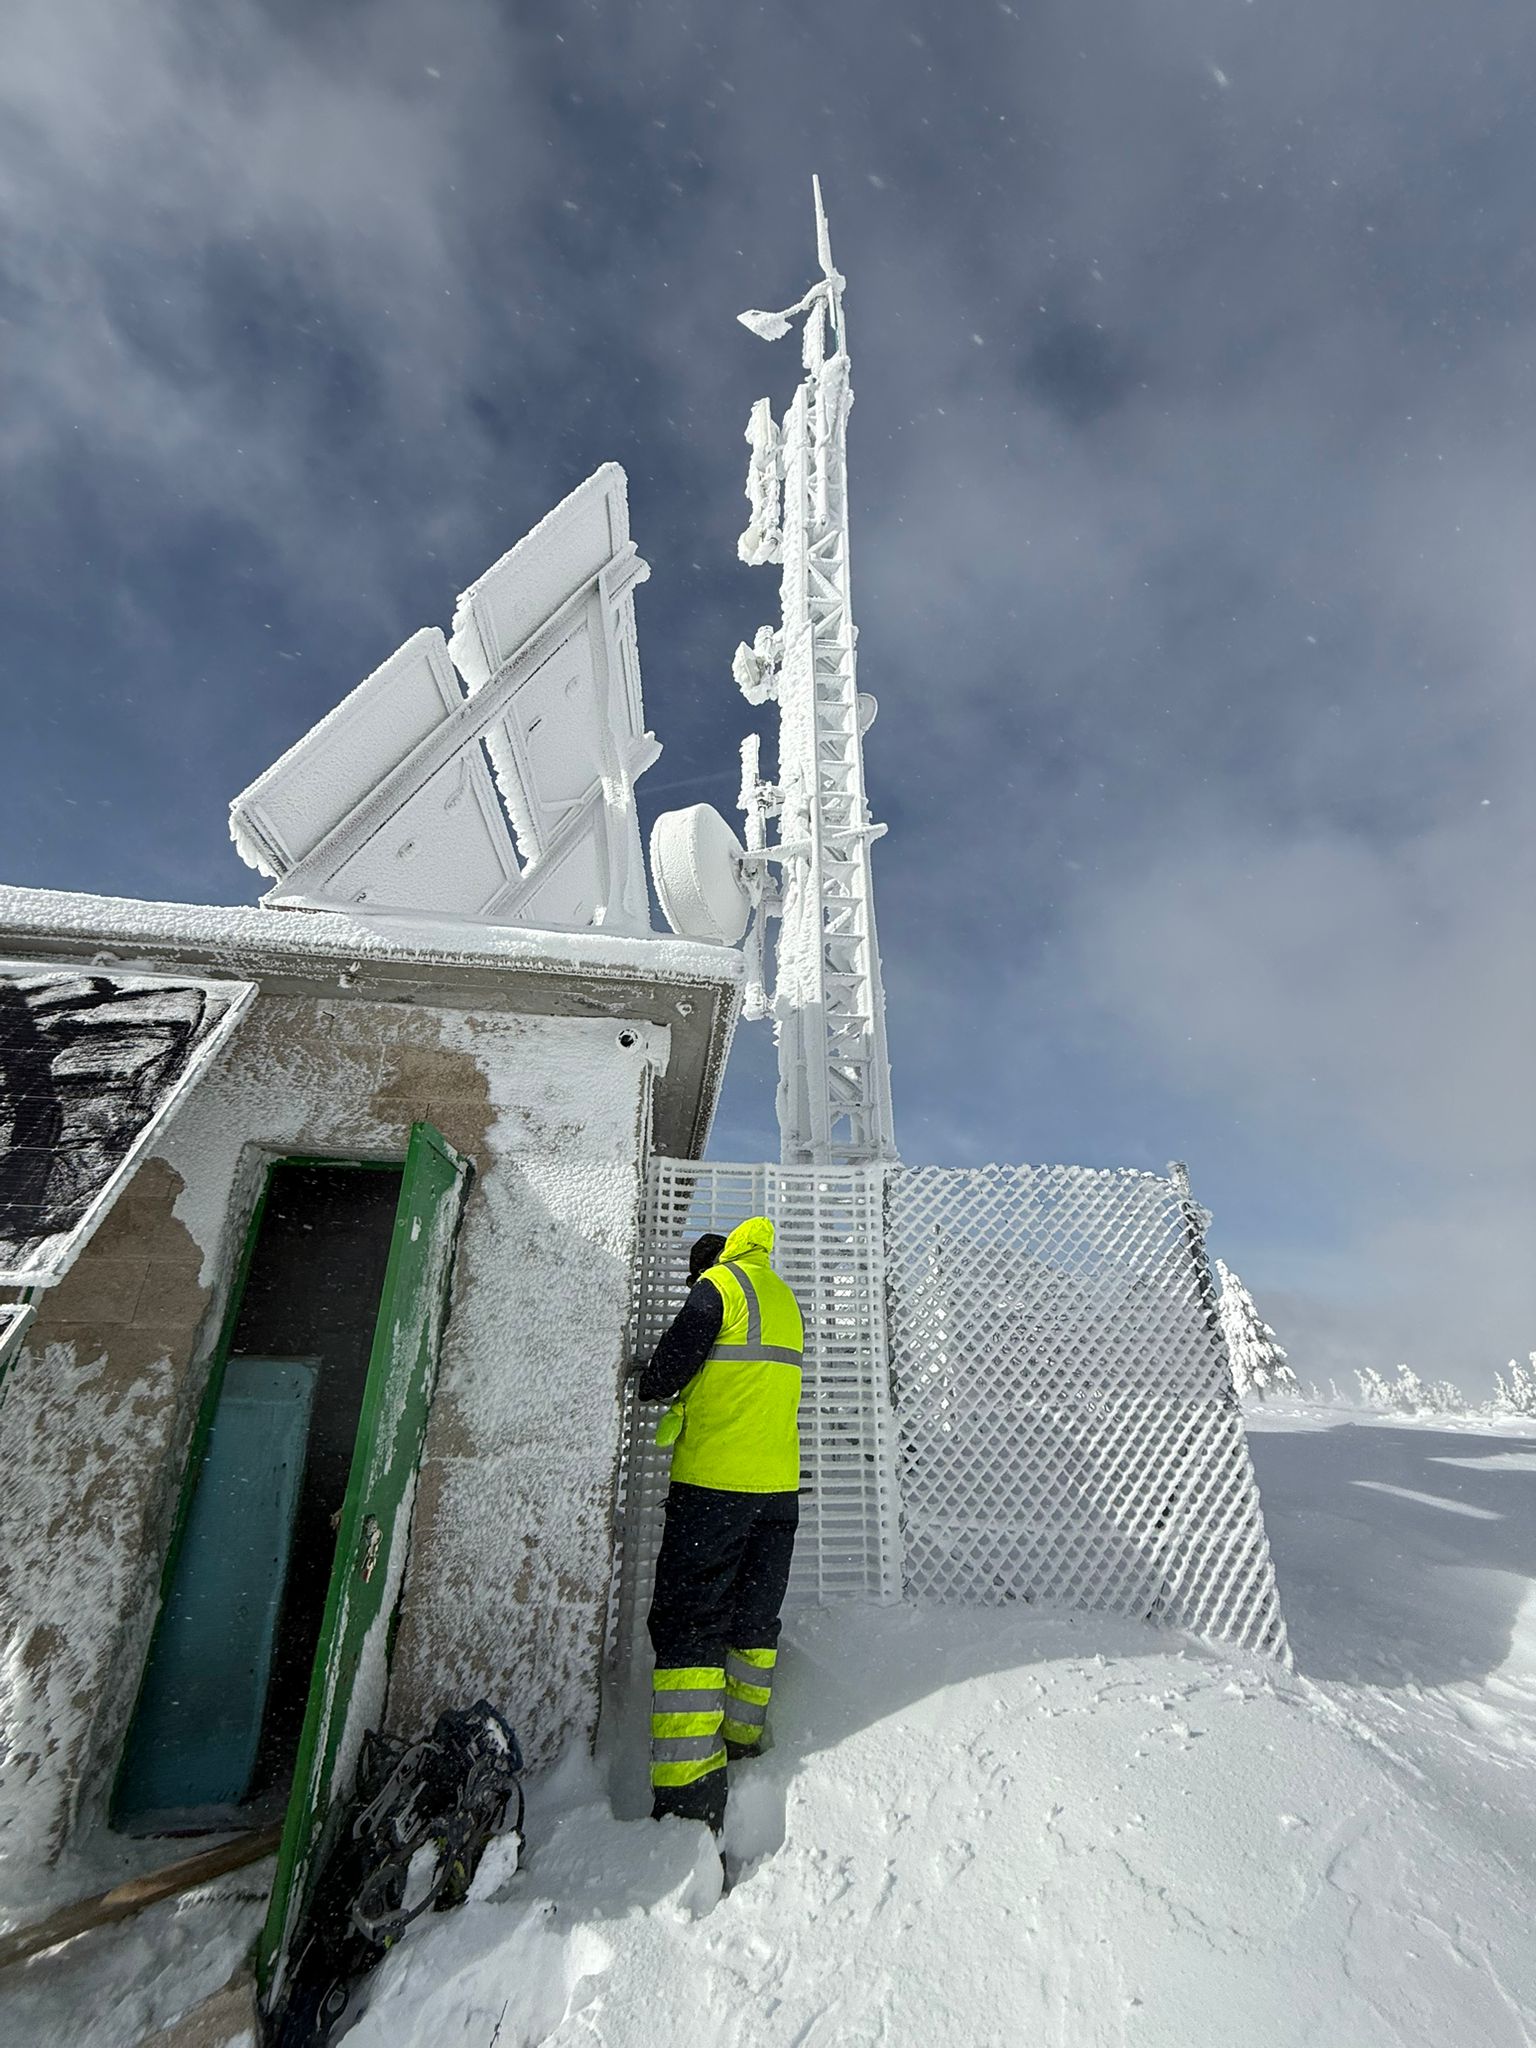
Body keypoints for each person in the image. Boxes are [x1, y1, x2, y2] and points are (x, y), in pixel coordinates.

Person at [633, 1216, 805, 1834]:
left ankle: (687, 1793)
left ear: (706, 1265)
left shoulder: (718, 1288)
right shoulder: (783, 1298)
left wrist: (649, 1380)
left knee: (690, 1619)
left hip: (715, 1488)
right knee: (753, 1618)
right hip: (778, 1493)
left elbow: (675, 1361)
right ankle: (741, 1740)